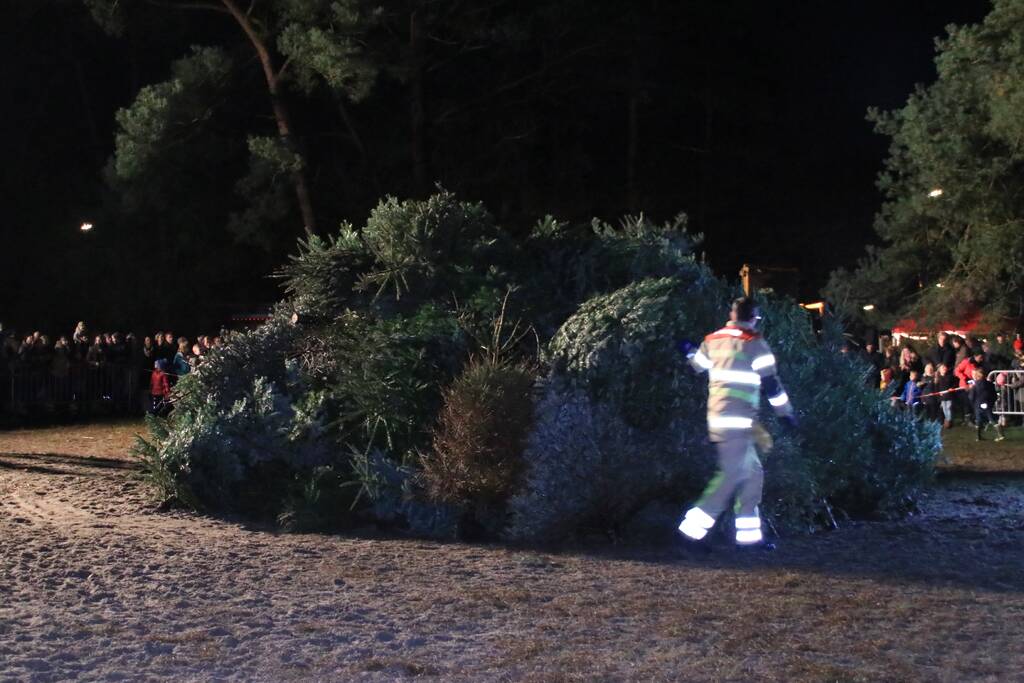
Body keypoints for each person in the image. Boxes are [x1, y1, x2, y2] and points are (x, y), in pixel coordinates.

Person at [676, 297, 796, 553]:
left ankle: (749, 538)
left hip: (721, 418)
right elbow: (771, 385)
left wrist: (686, 349)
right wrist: (786, 415)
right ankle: (690, 534)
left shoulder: (713, 340)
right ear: (754, 317)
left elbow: (699, 365)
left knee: (753, 476)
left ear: (733, 314)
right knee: (731, 477)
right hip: (740, 422)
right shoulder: (755, 344)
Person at [968, 368, 1004, 441]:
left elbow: (971, 397)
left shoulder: (975, 386)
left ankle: (978, 437)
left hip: (978, 404)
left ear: (977, 376)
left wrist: (973, 403)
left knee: (978, 420)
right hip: (988, 404)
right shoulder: (990, 384)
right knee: (992, 419)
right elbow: (994, 395)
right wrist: (992, 402)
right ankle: (1000, 435)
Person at [934, 363, 958, 428]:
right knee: (944, 409)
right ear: (939, 370)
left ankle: (948, 421)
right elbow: (936, 389)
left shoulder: (950, 376)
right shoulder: (938, 379)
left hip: (949, 396)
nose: (944, 369)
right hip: (942, 397)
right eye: (942, 368)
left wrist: (952, 388)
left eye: (945, 367)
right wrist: (939, 395)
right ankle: (947, 420)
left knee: (949, 408)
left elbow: (955, 383)